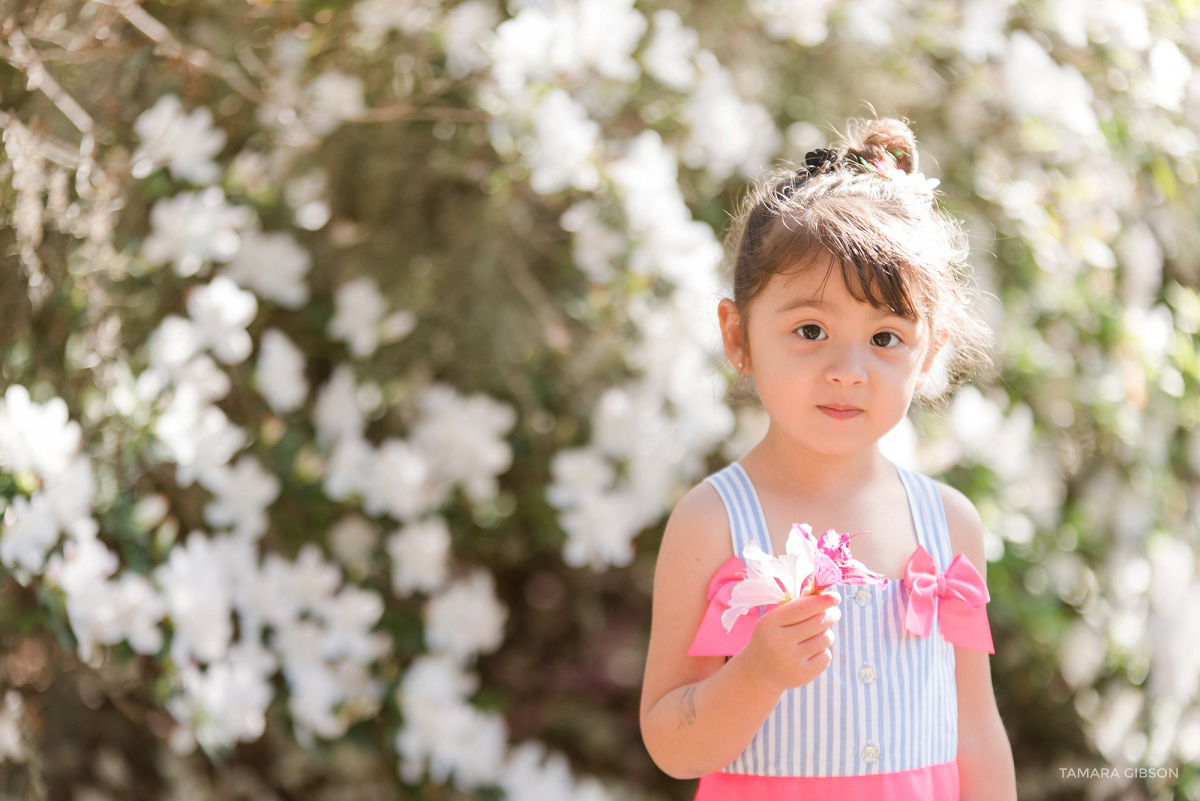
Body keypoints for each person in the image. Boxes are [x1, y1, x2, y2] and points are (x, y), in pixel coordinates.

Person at [640, 118, 1017, 801]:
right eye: (810, 330)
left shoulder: (948, 524)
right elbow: (670, 740)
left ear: (928, 353)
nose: (849, 370)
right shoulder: (714, 522)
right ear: (739, 335)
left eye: (885, 336)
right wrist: (755, 672)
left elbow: (977, 730)